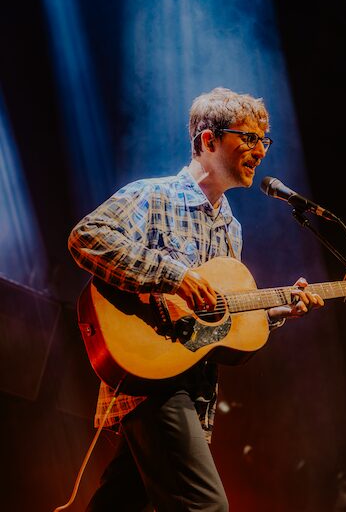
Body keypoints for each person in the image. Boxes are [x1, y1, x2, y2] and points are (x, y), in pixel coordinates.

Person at [68, 87, 324, 511]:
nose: (261, 151)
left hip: (192, 388)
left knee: (121, 503)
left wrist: (277, 311)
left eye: (264, 140)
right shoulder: (154, 196)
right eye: (249, 138)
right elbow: (86, 237)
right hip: (151, 383)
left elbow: (216, 318)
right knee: (206, 507)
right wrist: (175, 276)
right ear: (208, 139)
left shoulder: (231, 229)